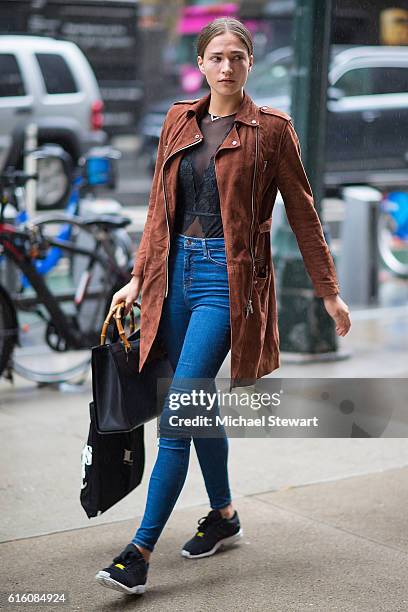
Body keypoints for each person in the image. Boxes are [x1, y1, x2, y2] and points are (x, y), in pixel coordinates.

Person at [95, 17, 351, 595]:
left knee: (179, 413)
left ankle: (138, 552)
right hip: (174, 276)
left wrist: (327, 291)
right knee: (198, 401)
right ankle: (225, 514)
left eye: (238, 56)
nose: (227, 66)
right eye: (217, 56)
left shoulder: (272, 130)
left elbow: (305, 215)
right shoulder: (177, 120)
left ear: (251, 64)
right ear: (201, 63)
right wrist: (138, 277)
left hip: (226, 284)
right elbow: (160, 209)